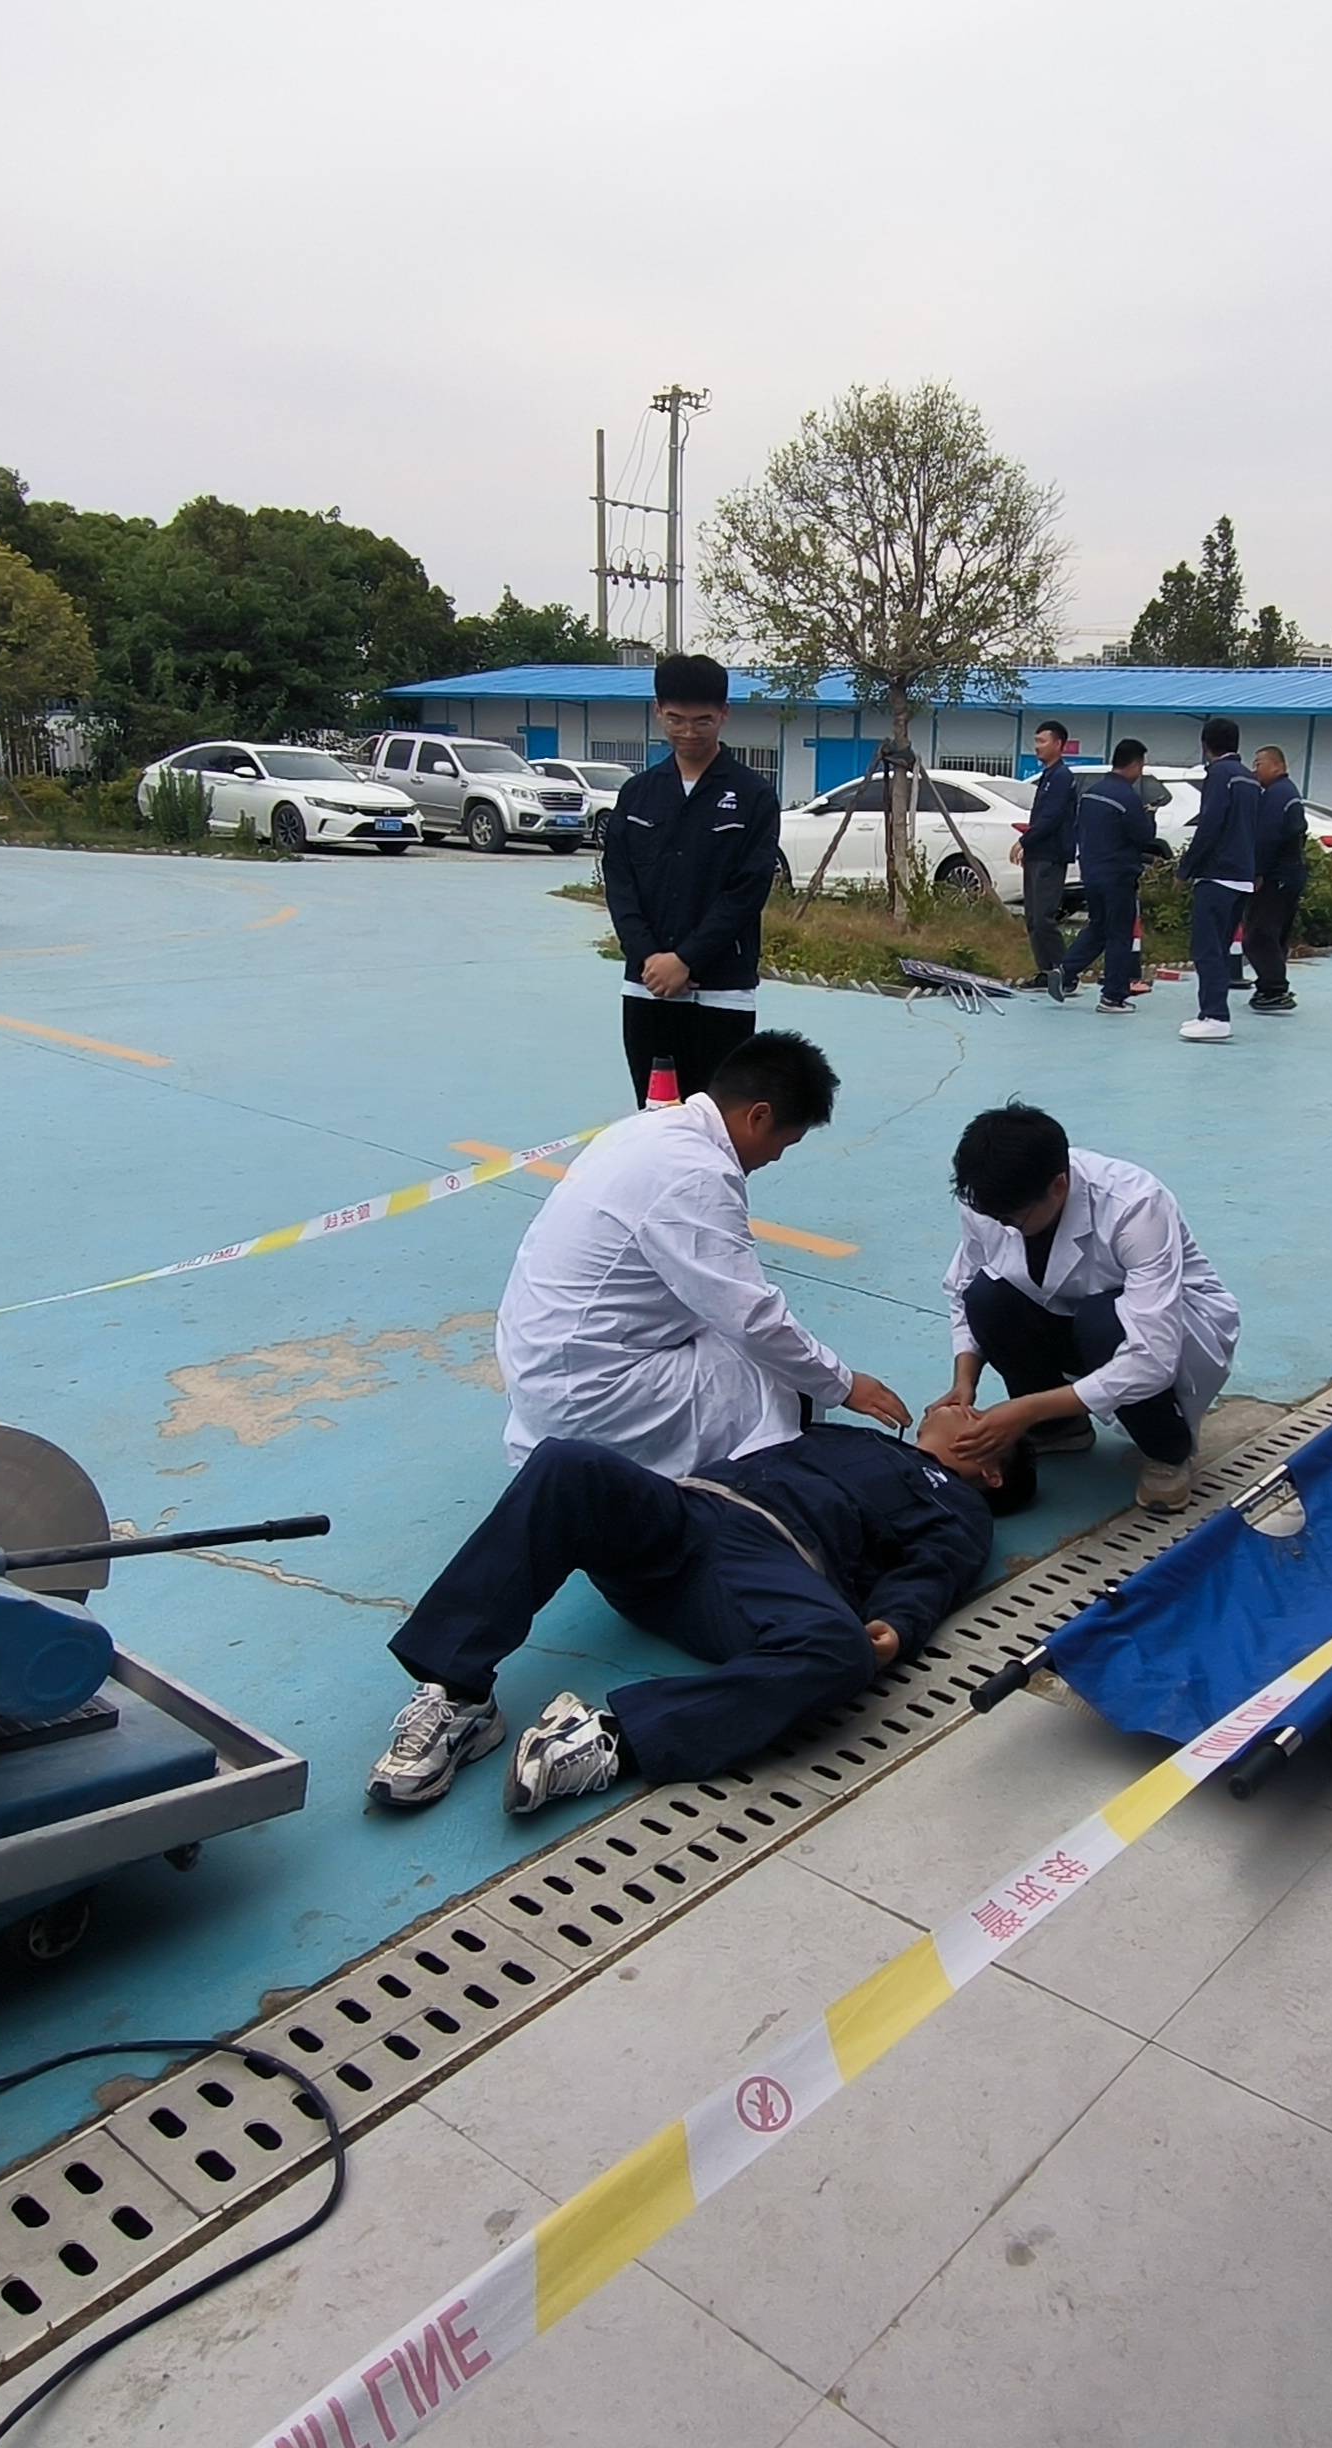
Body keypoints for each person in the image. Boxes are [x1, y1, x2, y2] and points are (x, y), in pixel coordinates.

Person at [368, 1407, 1023, 1816]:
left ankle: (613, 1740)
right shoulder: (843, 1431)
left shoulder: (958, 1504)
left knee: (839, 1649)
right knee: (568, 1463)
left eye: (977, 1416)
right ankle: (459, 1695)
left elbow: (935, 1571)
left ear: (992, 1472)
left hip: (765, 1566)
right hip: (687, 1511)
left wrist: (897, 1626)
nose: (958, 1404)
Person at [497, 1029, 909, 1478]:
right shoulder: (698, 1174)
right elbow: (751, 1318)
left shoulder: (646, 1128)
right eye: (784, 1143)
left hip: (539, 1366)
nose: (775, 1158)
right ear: (758, 1116)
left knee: (759, 1353)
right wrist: (844, 1384)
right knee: (790, 1389)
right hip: (587, 1393)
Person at [932, 1100, 1242, 1514]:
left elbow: (1153, 1359)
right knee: (986, 1297)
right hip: (1067, 1316)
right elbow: (964, 1283)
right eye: (994, 1215)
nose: (1002, 1225)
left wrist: (1026, 1410)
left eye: (1012, 1219)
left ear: (1059, 1186)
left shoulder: (1135, 1205)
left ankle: (1168, 1450)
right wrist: (965, 1379)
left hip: (1165, 1333)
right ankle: (1059, 1430)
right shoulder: (991, 1197)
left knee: (1103, 1323)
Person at [602, 652, 780, 1106]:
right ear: (658, 711)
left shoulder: (753, 796)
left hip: (723, 990)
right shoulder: (638, 794)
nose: (688, 732)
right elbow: (620, 884)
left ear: (724, 714)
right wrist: (651, 958)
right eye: (676, 719)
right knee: (655, 1117)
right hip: (647, 986)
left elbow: (748, 890)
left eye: (703, 721)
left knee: (717, 1121)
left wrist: (686, 960)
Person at [1055, 741, 1160, 1012]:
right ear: (1135, 764)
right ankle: (1113, 996)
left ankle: (1065, 972)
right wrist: (1149, 816)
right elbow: (1144, 837)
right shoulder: (1127, 798)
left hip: (1092, 872)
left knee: (1099, 927)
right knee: (1119, 935)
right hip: (1119, 875)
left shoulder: (1091, 793)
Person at [1176, 716, 1262, 1044]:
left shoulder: (1219, 775)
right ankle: (1210, 1013)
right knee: (1221, 948)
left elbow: (1209, 825)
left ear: (1205, 744)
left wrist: (1186, 869)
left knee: (1206, 948)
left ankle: (1215, 1016)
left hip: (1217, 875)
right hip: (1242, 876)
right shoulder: (1249, 778)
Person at [1013, 718, 1079, 994]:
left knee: (1043, 919)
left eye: (1043, 741)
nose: (1037, 746)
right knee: (1032, 918)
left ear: (1059, 744)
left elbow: (1051, 818)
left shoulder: (1062, 777)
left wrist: (1024, 841)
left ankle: (1066, 974)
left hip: (1050, 856)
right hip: (1037, 853)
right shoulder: (1048, 776)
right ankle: (1046, 972)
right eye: (1036, 741)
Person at [1243, 743, 1307, 1013]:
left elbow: (1268, 838)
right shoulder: (1286, 793)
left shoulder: (1277, 795)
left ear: (1278, 766)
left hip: (1278, 876)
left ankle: (1274, 989)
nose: (1255, 769)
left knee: (1258, 935)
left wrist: (1257, 872)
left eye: (1259, 764)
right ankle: (1270, 985)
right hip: (1290, 874)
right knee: (1274, 934)